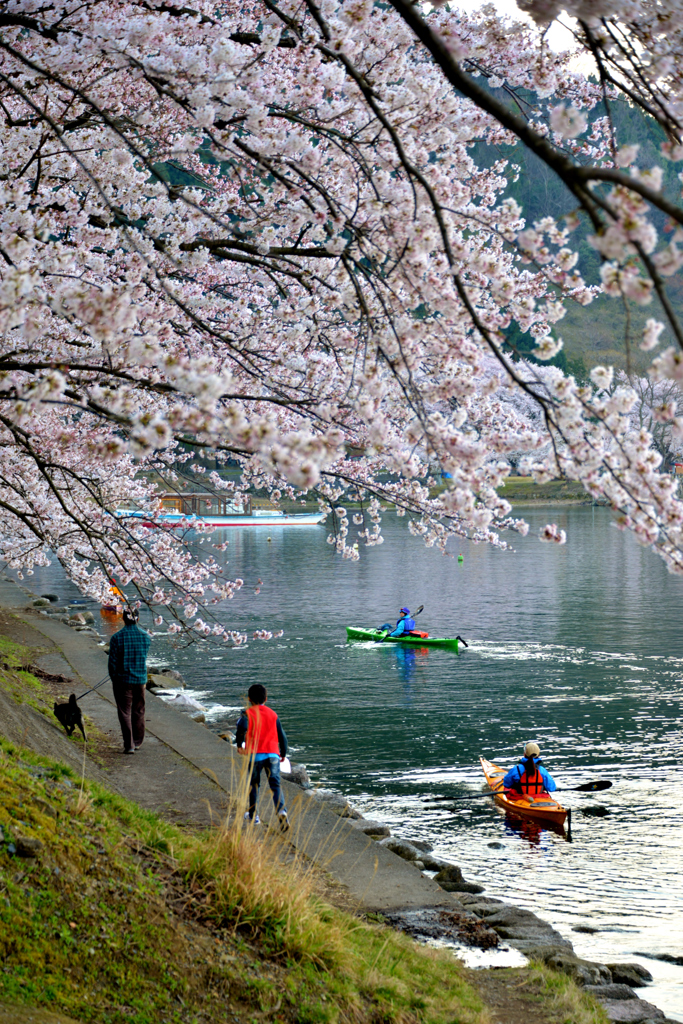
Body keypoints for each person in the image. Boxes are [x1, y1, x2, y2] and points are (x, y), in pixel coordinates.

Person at [235, 684, 289, 830]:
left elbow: (241, 727)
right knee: (275, 784)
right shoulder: (273, 714)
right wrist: (283, 753)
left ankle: (254, 816)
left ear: (249, 699)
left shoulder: (247, 713)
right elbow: (282, 736)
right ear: (266, 699)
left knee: (254, 785)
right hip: (273, 755)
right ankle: (282, 811)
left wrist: (240, 744)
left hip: (255, 755)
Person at [108, 608, 151, 754]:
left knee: (124, 712)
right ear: (137, 619)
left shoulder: (116, 637)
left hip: (122, 680)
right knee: (138, 710)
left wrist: (114, 678)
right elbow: (143, 657)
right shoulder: (146, 637)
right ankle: (138, 742)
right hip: (140, 680)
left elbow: (112, 663)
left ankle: (129, 745)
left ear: (123, 619)